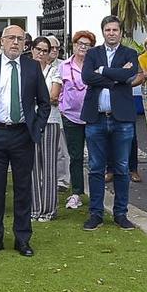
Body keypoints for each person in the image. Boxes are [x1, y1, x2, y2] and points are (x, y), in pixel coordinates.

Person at [0, 24, 49, 256]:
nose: (15, 42)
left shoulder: (32, 67)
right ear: (2, 41)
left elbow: (44, 102)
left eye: (20, 39)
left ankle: (22, 239)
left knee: (23, 188)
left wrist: (36, 127)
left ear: (25, 43)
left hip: (22, 134)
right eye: (11, 38)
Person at [82, 16, 143, 230]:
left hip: (122, 119)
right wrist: (117, 77)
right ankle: (96, 214)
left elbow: (130, 74)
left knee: (122, 167)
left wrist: (104, 71)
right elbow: (87, 77)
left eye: (115, 29)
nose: (111, 33)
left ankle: (120, 213)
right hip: (96, 118)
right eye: (107, 29)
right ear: (103, 32)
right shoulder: (92, 53)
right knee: (96, 168)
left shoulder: (130, 54)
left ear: (121, 32)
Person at [55, 31, 92, 210]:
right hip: (71, 117)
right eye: (80, 43)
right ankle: (76, 192)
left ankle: (97, 192)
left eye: (87, 44)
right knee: (75, 156)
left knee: (95, 157)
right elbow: (59, 88)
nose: (83, 47)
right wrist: (62, 106)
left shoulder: (94, 65)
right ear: (74, 45)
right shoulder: (64, 66)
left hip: (92, 117)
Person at [29, 36, 63, 222]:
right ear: (32, 50)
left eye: (45, 50)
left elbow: (54, 96)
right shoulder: (25, 70)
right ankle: (34, 208)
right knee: (32, 165)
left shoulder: (54, 71)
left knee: (49, 164)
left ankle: (49, 209)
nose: (41, 53)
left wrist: (34, 98)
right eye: (38, 49)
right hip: (29, 121)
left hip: (50, 121)